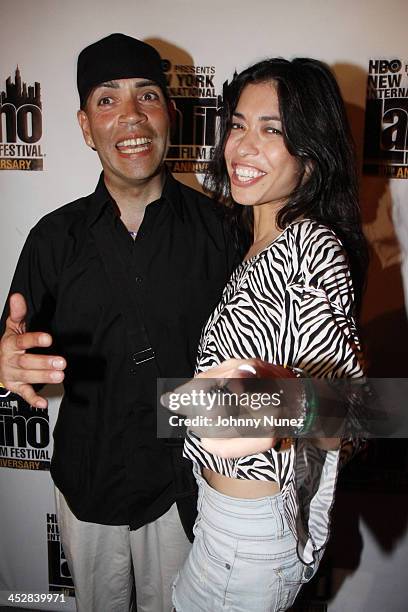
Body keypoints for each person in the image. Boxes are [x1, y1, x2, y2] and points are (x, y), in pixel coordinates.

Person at [0, 34, 237, 612]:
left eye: (146, 96)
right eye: (107, 101)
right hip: (90, 476)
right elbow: (13, 336)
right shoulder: (53, 239)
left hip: (189, 488)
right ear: (85, 126)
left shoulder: (225, 232)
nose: (130, 116)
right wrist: (5, 359)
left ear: (170, 115)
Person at [172, 58, 367, 611]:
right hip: (217, 524)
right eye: (237, 124)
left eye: (272, 129)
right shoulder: (252, 245)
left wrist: (287, 403)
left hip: (250, 539)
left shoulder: (311, 249)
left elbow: (362, 413)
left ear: (311, 155)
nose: (242, 145)